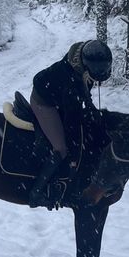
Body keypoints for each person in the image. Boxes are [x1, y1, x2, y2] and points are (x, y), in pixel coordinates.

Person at [27, 39, 113, 208]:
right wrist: (74, 156)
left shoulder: (81, 60)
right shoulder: (70, 80)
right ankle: (36, 193)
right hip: (43, 100)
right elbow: (72, 120)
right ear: (87, 65)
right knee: (61, 147)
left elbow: (85, 93)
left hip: (59, 94)